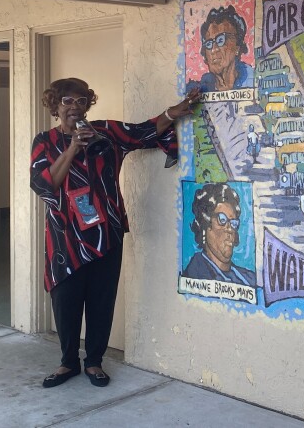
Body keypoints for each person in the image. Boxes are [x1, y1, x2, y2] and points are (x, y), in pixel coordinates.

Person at [31, 78, 199, 389]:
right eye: (67, 101)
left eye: (81, 101)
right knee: (65, 302)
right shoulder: (45, 141)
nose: (75, 107)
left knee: (101, 300)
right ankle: (68, 362)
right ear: (55, 106)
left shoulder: (106, 133)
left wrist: (173, 112)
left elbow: (143, 131)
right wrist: (72, 148)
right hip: (65, 238)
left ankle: (94, 361)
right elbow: (44, 184)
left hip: (106, 234)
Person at [182, 183, 256, 286]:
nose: (230, 229)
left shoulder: (250, 279)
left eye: (234, 223)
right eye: (222, 219)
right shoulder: (194, 277)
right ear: (205, 224)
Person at [195, 5, 254, 92]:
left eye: (220, 40)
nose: (214, 49)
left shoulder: (254, 82)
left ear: (237, 47)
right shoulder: (199, 89)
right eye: (209, 44)